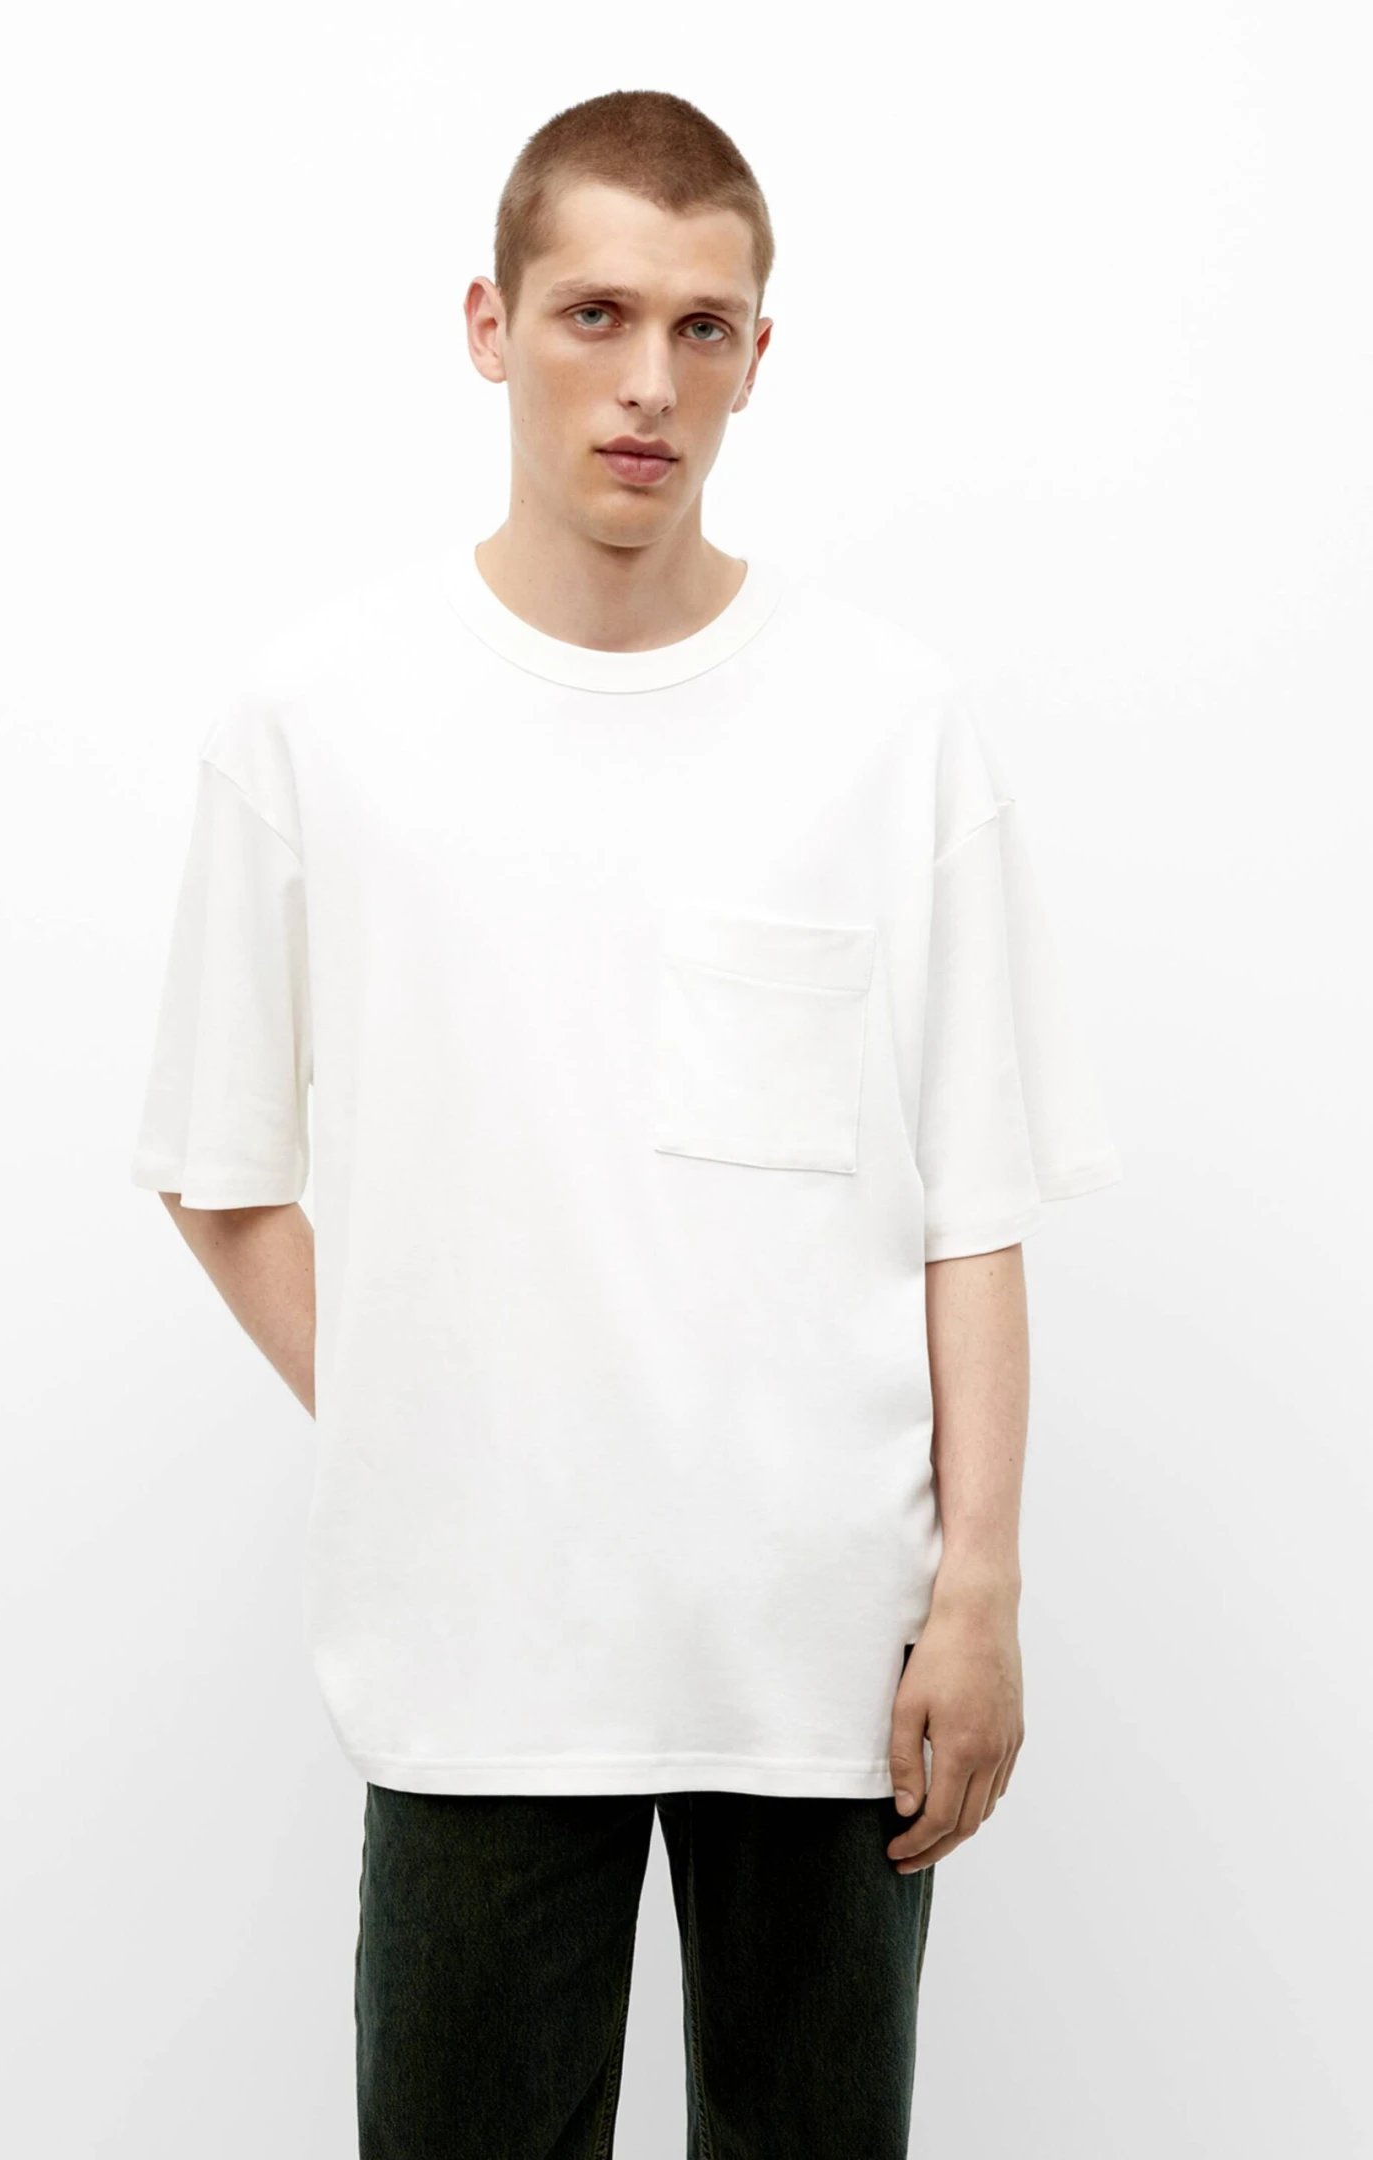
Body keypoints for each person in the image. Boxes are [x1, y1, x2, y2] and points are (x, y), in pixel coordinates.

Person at [130, 87, 1122, 2160]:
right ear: (488, 325)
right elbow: (220, 1172)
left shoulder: (888, 727)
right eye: (596, 313)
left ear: (761, 353)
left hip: (829, 1661)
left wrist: (983, 1591)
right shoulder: (318, 720)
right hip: (475, 1658)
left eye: (702, 326)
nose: (649, 381)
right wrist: (423, 1416)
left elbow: (973, 1206)